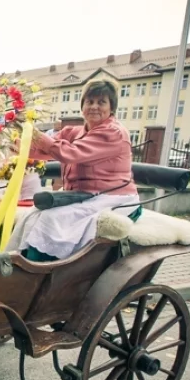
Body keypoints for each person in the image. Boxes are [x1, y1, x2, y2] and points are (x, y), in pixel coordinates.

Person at [21, 79, 139, 261]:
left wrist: (39, 137)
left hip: (110, 196)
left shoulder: (113, 132)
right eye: (89, 102)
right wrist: (18, 142)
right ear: (82, 105)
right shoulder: (75, 131)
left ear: (112, 108)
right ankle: (23, 262)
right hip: (82, 195)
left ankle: (43, 269)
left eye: (101, 102)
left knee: (51, 219)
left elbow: (70, 153)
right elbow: (45, 150)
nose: (94, 107)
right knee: (31, 215)